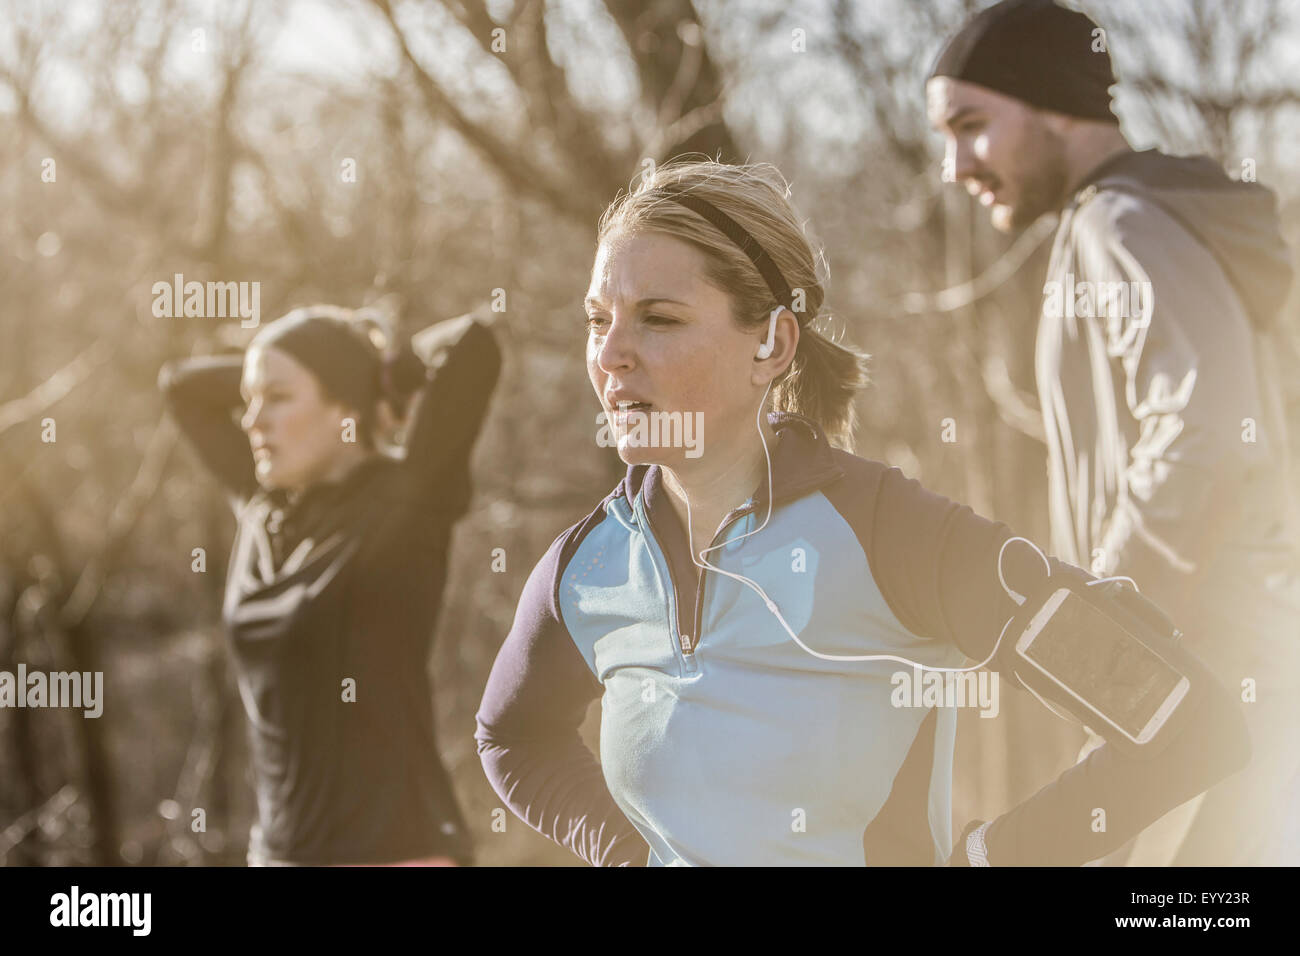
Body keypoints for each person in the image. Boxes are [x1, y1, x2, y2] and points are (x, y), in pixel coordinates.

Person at [474, 159, 1249, 866]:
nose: (611, 354)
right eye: (597, 319)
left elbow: (1189, 726)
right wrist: (630, 856)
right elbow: (511, 737)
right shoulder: (589, 569)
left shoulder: (890, 534)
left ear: (773, 344)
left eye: (660, 318)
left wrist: (991, 862)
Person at [925, 0, 1300, 865]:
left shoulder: (1122, 224)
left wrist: (1108, 631)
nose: (955, 164)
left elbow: (1202, 429)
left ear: (1055, 104)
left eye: (973, 126)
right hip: (1211, 679)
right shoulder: (1126, 221)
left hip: (1211, 679)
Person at [159, 304, 501, 865]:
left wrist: (379, 373)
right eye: (248, 400)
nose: (251, 420)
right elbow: (181, 388)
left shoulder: (406, 503)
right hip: (278, 856)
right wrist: (274, 364)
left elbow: (474, 343)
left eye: (278, 398)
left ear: (344, 405)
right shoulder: (263, 509)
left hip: (397, 853)